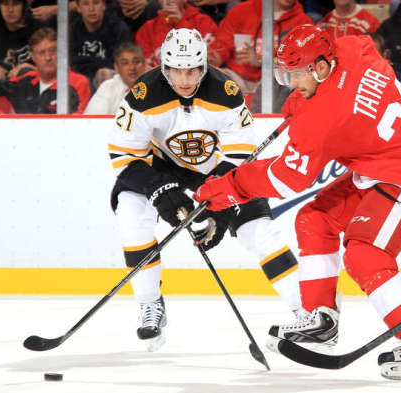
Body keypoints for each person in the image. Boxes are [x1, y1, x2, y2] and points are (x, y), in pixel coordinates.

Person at [194, 24, 401, 380]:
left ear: (319, 67)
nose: (290, 81)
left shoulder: (322, 120)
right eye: (285, 73)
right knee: (314, 219)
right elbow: (365, 46)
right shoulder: (350, 50)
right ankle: (321, 319)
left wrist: (225, 188)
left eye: (295, 74)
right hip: (394, 157)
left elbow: (288, 177)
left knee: (365, 255)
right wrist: (304, 101)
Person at [108, 28, 305, 352]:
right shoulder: (141, 96)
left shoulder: (226, 91)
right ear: (164, 67)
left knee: (259, 230)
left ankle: (306, 311)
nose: (184, 79)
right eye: (176, 70)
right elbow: (125, 156)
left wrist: (223, 204)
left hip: (216, 172)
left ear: (203, 66)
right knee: (132, 212)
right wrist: (160, 189)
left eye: (192, 70)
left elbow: (239, 155)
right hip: (161, 169)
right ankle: (149, 304)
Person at [208, 0, 313, 94]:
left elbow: (299, 65)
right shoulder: (242, 11)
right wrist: (213, 58)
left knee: (289, 80)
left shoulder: (304, 23)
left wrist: (261, 60)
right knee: (209, 75)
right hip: (237, 77)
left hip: (274, 83)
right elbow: (222, 44)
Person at [0, 27, 91, 113]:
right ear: (33, 56)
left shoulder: (79, 83)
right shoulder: (24, 80)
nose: (48, 57)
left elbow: (78, 124)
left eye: (52, 50)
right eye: (41, 53)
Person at [135, 0, 217, 68]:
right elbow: (144, 63)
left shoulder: (203, 22)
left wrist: (181, 24)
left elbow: (211, 60)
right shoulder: (147, 29)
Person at [70, 0, 132, 89]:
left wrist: (87, 62)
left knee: (104, 74)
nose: (91, 9)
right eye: (86, 4)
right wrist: (97, 62)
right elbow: (71, 62)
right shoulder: (72, 30)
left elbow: (122, 62)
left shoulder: (118, 28)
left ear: (104, 5)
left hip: (111, 78)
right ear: (78, 8)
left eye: (96, 3)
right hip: (81, 79)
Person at [84, 42, 147, 114]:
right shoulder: (108, 87)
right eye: (125, 63)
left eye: (136, 62)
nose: (132, 68)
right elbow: (93, 120)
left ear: (144, 64)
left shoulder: (156, 87)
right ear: (116, 68)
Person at [0, 0, 43, 80]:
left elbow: (54, 68)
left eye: (15, 4)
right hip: (1, 88)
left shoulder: (40, 31)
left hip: (33, 86)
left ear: (24, 6)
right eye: (5, 4)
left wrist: (29, 68)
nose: (10, 10)